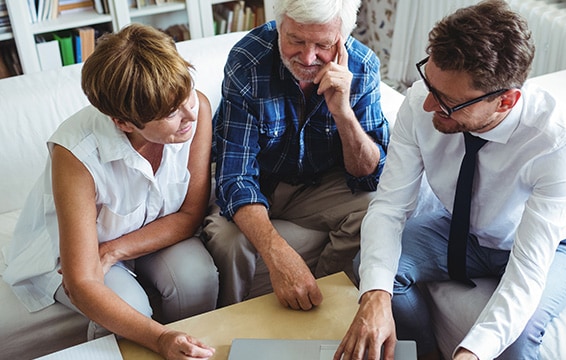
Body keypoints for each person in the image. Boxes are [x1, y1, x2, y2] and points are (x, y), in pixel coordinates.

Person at [335, 1, 566, 359]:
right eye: (429, 84)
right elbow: (390, 205)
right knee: (373, 274)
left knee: (513, 343)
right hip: (462, 229)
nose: (428, 106)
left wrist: (471, 352)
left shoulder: (556, 140)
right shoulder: (420, 103)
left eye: (449, 103)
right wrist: (377, 297)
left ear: (506, 101)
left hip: (549, 245)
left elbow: (529, 270)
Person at [3, 23, 219, 360]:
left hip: (144, 233)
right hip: (67, 257)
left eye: (187, 93)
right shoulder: (76, 154)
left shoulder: (196, 110)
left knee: (198, 277)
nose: (189, 113)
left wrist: (115, 250)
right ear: (124, 123)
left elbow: (191, 214)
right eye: (170, 113)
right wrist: (160, 339)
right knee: (128, 308)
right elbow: (82, 282)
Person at [202, 0, 389, 310]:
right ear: (279, 26)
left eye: (323, 44)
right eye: (296, 40)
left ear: (342, 38)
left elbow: (371, 175)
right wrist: (279, 254)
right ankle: (231, 322)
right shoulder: (248, 60)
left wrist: (343, 113)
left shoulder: (362, 65)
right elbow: (235, 177)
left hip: (316, 187)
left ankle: (323, 303)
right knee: (228, 240)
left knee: (375, 208)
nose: (307, 57)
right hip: (258, 183)